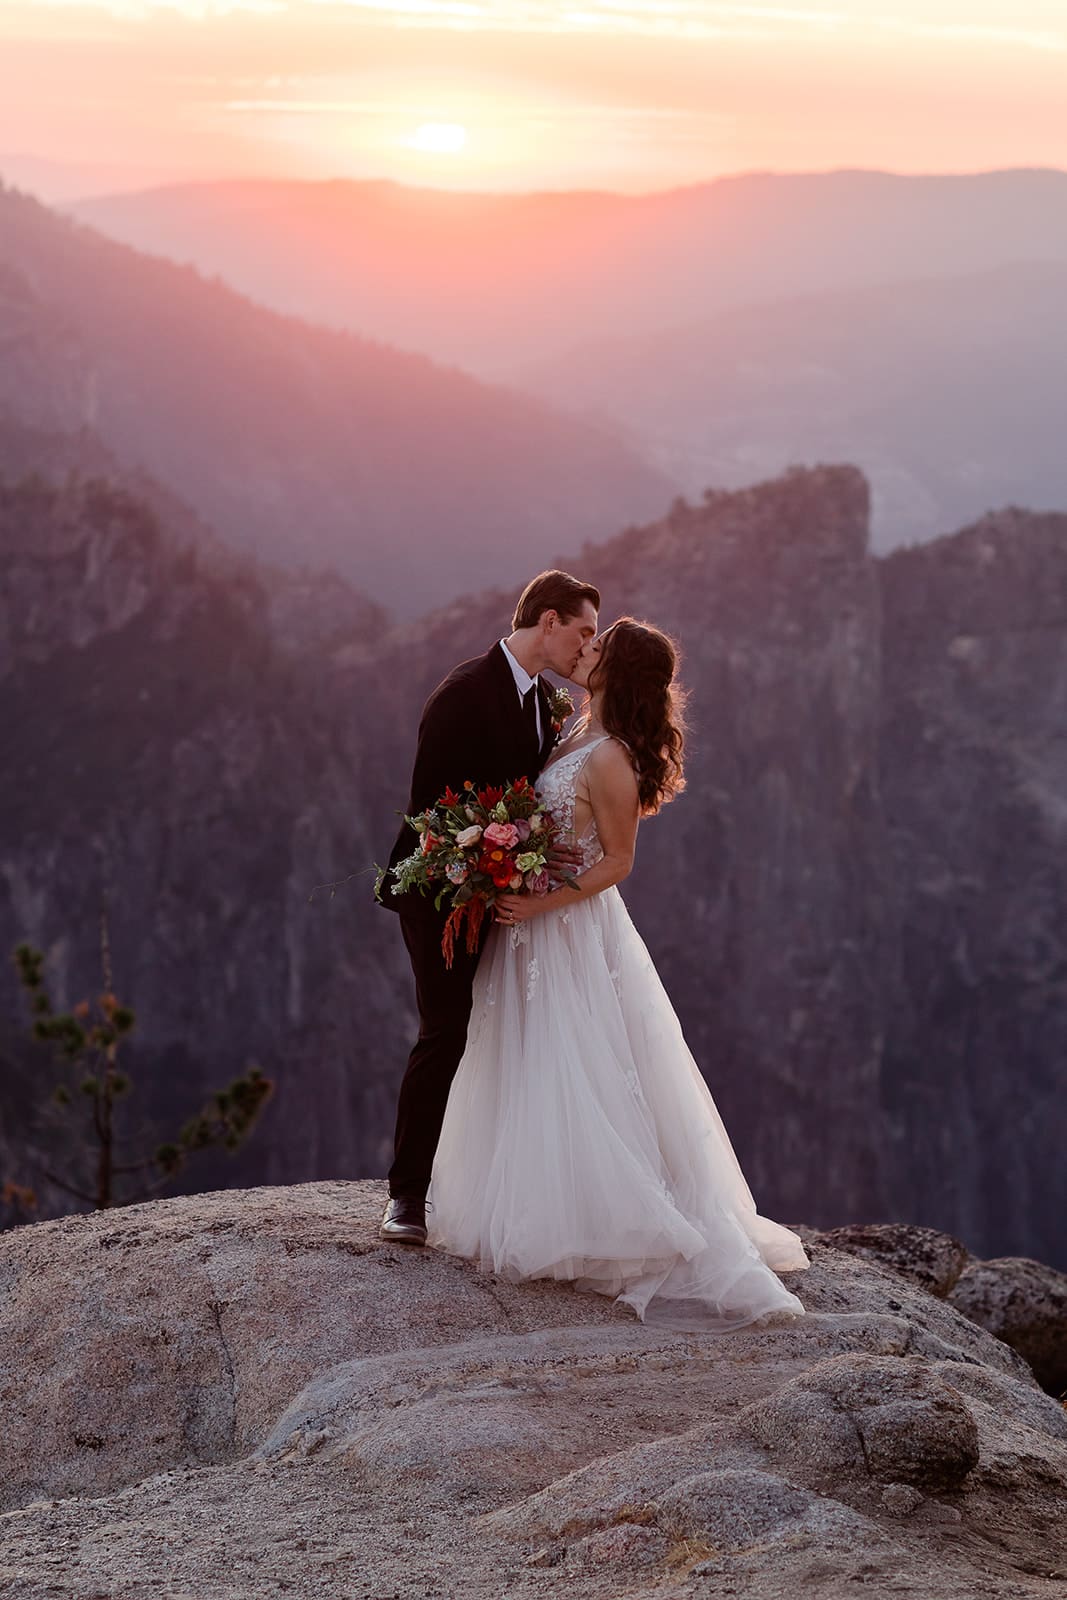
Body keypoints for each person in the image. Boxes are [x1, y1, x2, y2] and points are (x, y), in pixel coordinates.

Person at [426, 618, 810, 1330]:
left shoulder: (609, 757)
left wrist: (539, 902)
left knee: (579, 1060)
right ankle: (538, 1199)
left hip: (565, 928)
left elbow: (616, 861)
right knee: (529, 1056)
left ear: (617, 670)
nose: (585, 649)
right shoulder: (571, 729)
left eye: (597, 647)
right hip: (531, 925)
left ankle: (607, 1222)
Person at [376, 569, 600, 1245]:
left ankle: (491, 1193)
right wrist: (487, 867)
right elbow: (431, 815)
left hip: (501, 892)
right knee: (444, 1029)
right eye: (582, 631)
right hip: (439, 891)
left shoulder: (542, 701)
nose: (586, 648)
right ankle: (406, 1198)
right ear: (548, 621)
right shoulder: (464, 692)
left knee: (503, 1032)